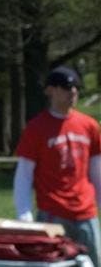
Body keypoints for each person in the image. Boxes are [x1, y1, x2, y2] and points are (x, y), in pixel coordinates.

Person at [13, 65, 101, 266]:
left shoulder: (90, 126)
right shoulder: (36, 128)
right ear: (50, 91)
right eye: (66, 87)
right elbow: (24, 175)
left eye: (75, 87)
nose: (73, 92)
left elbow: (97, 170)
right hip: (52, 214)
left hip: (86, 213)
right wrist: (24, 214)